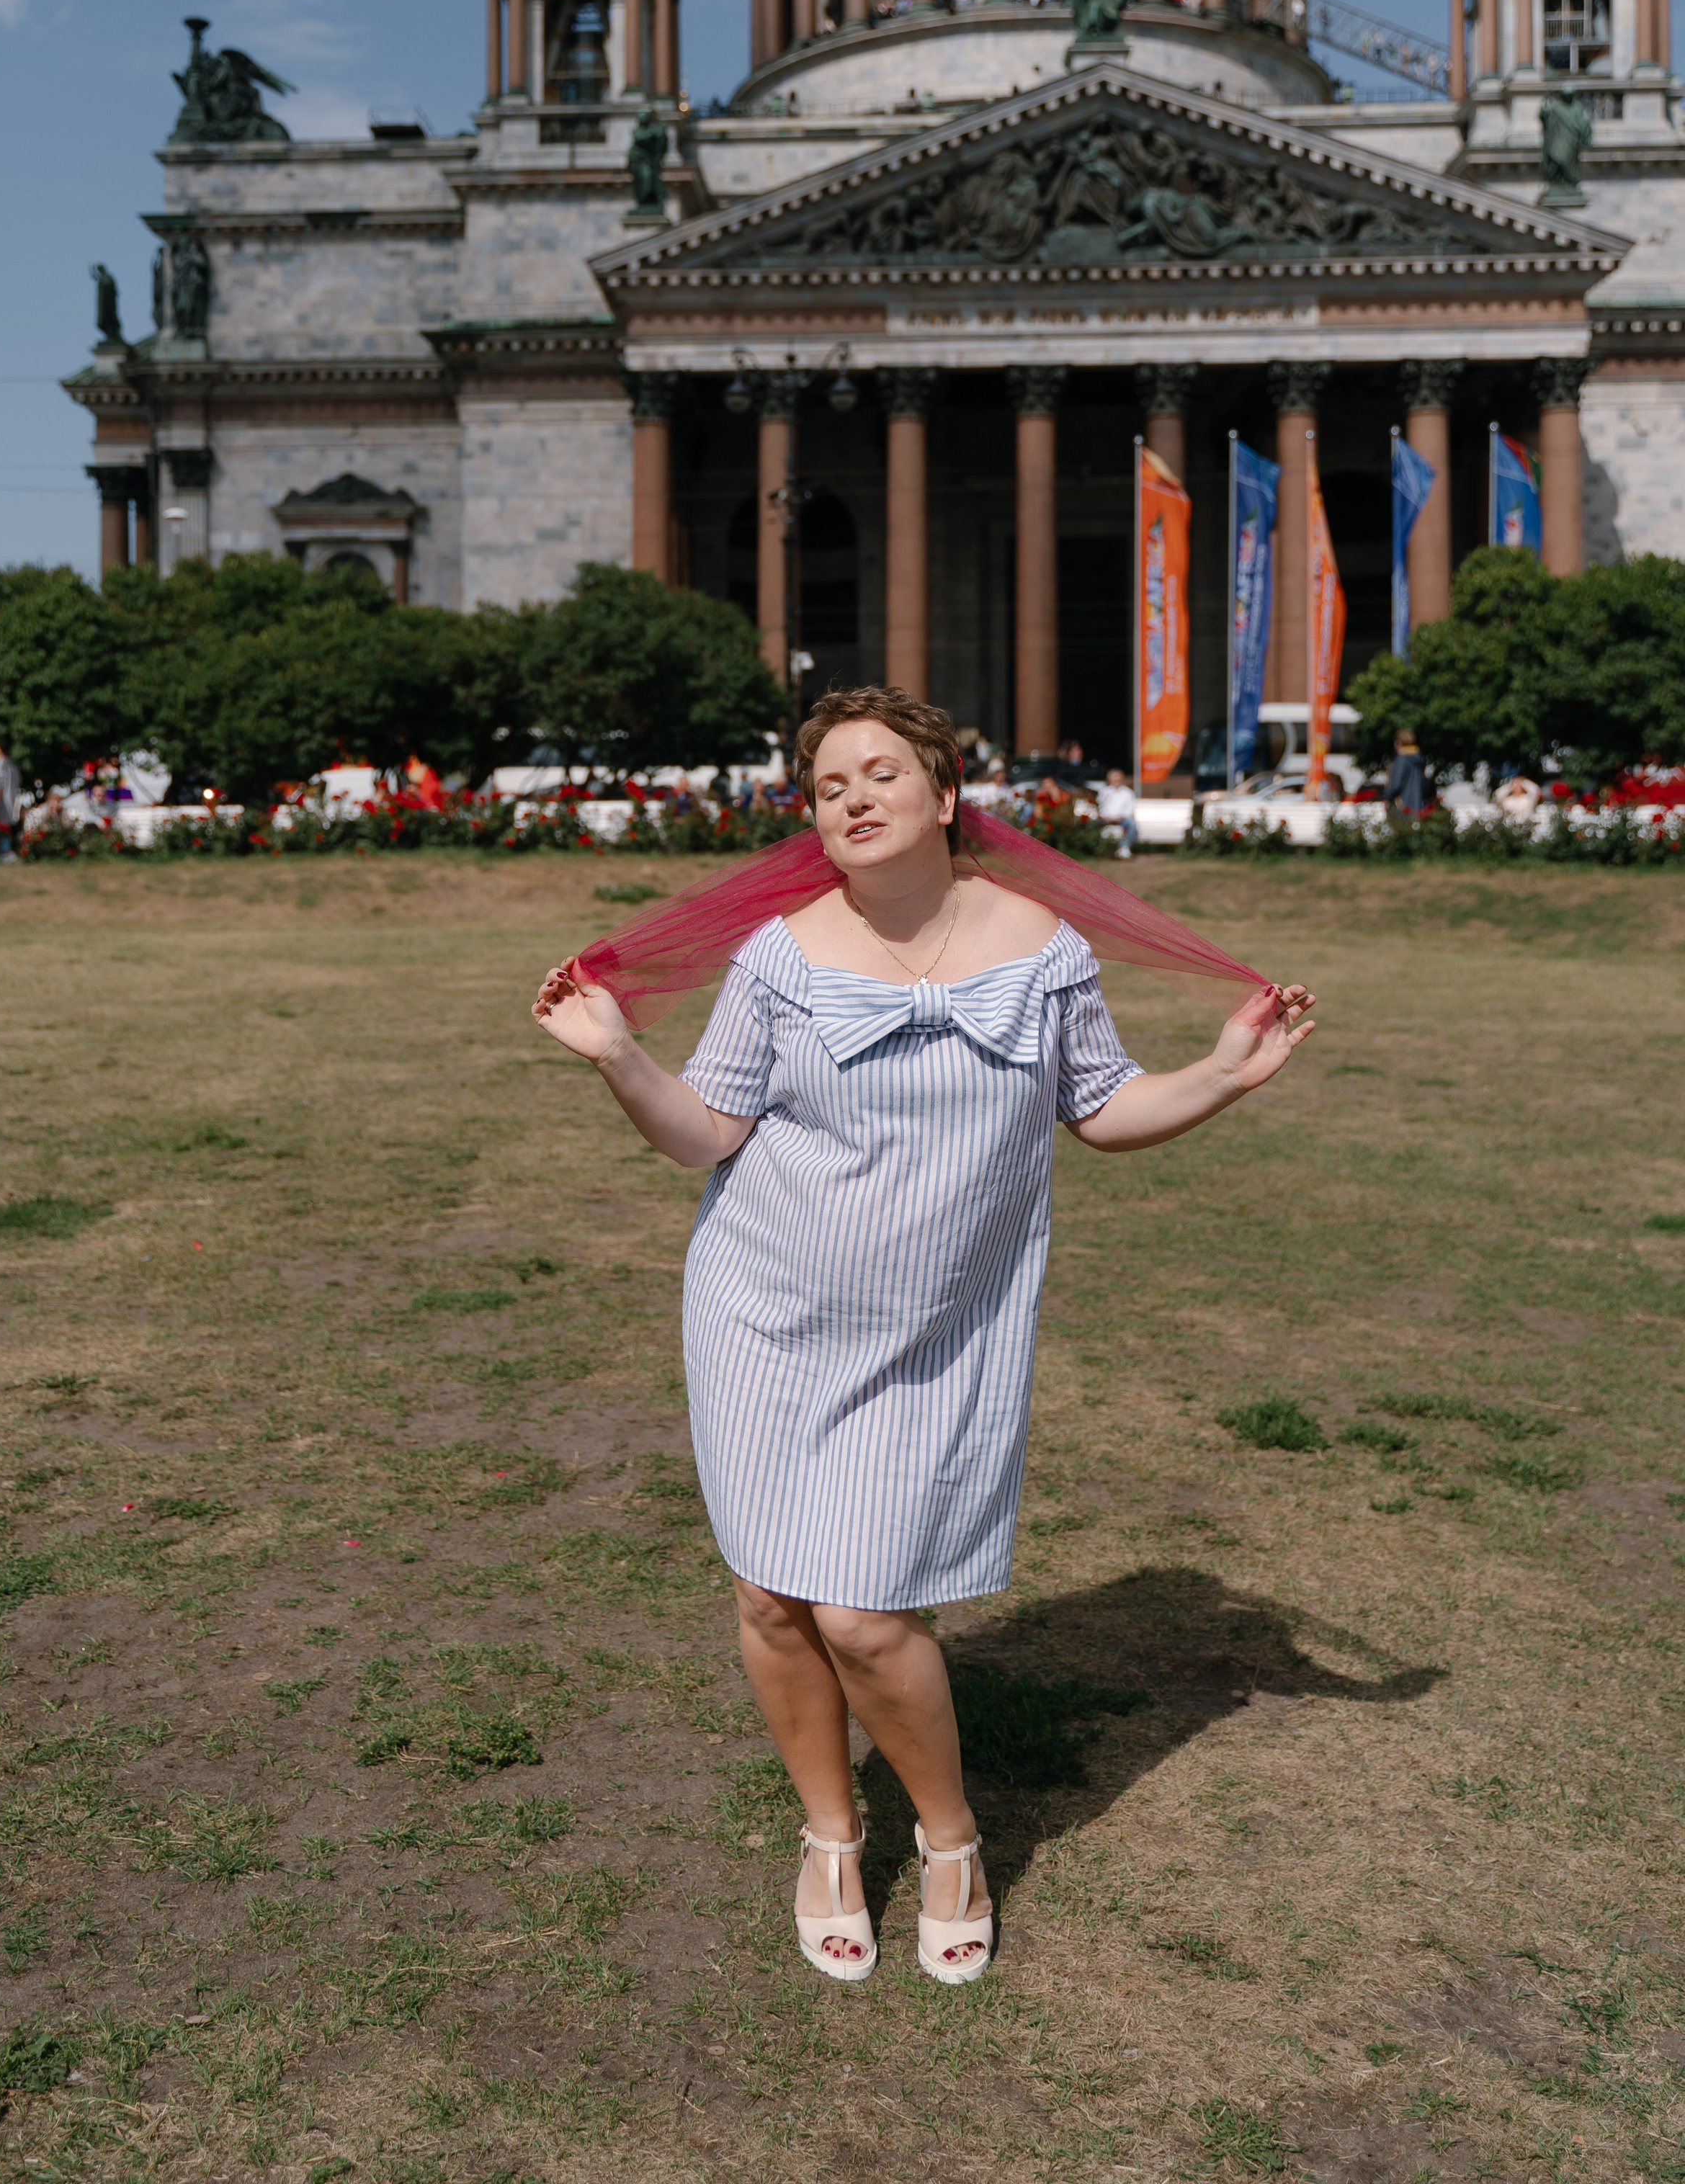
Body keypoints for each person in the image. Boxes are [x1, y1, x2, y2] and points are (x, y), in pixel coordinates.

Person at [532, 686, 1313, 1988]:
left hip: (935, 1333)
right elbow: (710, 1134)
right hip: (763, 1312)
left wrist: (1225, 1075)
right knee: (773, 1596)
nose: (853, 797)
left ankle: (949, 1841)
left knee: (866, 1612)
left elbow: (1104, 1107)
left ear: (948, 797)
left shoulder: (1045, 946)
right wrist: (617, 1056)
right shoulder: (780, 958)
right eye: (830, 783)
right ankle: (831, 1835)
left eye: (881, 773)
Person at [1097, 765, 1138, 858]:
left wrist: (1119, 817)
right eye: (1114, 777)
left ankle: (1124, 848)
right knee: (1091, 823)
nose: (1116, 779)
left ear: (1122, 778)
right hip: (1105, 818)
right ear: (1109, 778)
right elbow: (1100, 807)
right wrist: (1105, 817)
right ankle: (1094, 849)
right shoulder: (1104, 792)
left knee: (1131, 823)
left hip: (1122, 819)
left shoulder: (1128, 793)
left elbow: (1129, 810)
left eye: (1118, 777)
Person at [1385, 732, 1429, 818]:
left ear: (1398, 743)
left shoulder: (1401, 760)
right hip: (1419, 805)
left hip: (1403, 806)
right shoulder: (1420, 759)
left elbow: (1395, 785)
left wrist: (1386, 797)